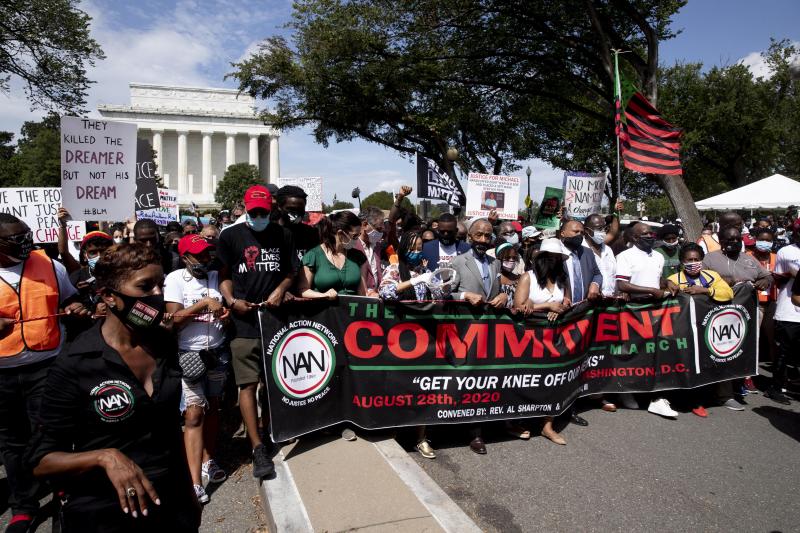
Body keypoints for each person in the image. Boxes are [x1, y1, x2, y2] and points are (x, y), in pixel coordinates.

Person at [29, 243, 200, 532]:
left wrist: (189, 496)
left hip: (171, 506)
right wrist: (104, 457)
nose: (158, 296)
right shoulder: (76, 362)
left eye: (160, 284)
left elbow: (171, 432)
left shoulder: (164, 344)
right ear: (109, 296)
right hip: (105, 514)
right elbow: (40, 461)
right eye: (146, 287)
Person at [0, 214, 88, 532]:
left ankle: (63, 497)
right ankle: (23, 507)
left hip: (47, 365)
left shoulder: (49, 263)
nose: (26, 243)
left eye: (27, 235)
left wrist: (77, 307)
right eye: (16, 238)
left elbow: (71, 297)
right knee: (12, 443)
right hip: (3, 374)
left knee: (51, 435)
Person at [217, 185, 295, 479]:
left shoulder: (283, 234)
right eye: (254, 212)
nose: (259, 216)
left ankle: (273, 427)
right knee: (247, 385)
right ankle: (257, 446)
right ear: (245, 207)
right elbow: (223, 276)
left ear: (271, 209)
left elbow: (291, 272)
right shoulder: (230, 236)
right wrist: (232, 301)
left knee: (274, 380)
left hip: (275, 320)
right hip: (244, 323)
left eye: (263, 211)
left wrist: (279, 291)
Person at [164, 235, 230, 505]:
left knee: (213, 407)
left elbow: (226, 306)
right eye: (199, 255)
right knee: (193, 415)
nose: (205, 259)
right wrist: (203, 304)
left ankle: (208, 460)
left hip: (217, 352)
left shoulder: (216, 277)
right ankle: (194, 482)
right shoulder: (175, 279)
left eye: (207, 254)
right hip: (188, 354)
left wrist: (225, 315)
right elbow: (174, 320)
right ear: (185, 257)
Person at [378, 230, 441, 458]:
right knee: (399, 386)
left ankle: (421, 437)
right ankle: (393, 433)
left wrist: (433, 282)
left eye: (419, 248)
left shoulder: (424, 270)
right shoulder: (394, 269)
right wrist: (412, 281)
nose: (416, 252)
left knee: (424, 388)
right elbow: (385, 292)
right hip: (399, 337)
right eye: (412, 248)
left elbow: (439, 296)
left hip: (424, 337)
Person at [450, 218, 507, 455]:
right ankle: (467, 429)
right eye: (479, 236)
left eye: (487, 236)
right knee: (466, 378)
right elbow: (445, 293)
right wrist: (465, 296)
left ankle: (481, 428)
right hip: (464, 331)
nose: (483, 240)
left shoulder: (496, 263)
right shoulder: (457, 261)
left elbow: (499, 290)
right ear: (470, 237)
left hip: (489, 331)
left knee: (486, 378)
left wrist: (504, 296)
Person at [615, 222, 677, 417]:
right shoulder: (625, 256)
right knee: (634, 351)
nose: (650, 236)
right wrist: (651, 291)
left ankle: (657, 398)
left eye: (651, 233)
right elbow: (623, 285)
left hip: (657, 310)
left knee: (656, 353)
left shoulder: (658, 256)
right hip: (633, 310)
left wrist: (667, 282)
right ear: (634, 238)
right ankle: (627, 392)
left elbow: (657, 280)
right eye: (645, 234)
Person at [513, 238, 571, 445]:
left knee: (553, 379)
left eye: (560, 258)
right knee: (526, 379)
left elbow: (567, 303)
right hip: (528, 339)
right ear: (543, 258)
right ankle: (517, 421)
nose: (558, 262)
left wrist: (561, 307)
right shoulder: (527, 277)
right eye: (554, 258)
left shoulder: (563, 280)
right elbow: (518, 307)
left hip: (555, 339)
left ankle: (548, 426)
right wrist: (547, 306)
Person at [666, 243, 734, 417]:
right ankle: (688, 401)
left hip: (708, 329)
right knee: (687, 364)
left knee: (706, 364)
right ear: (682, 261)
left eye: (697, 259)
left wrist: (705, 290)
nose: (694, 263)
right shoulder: (675, 279)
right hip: (685, 331)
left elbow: (727, 294)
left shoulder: (711, 276)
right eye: (689, 260)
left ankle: (705, 398)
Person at [765, 218, 800, 404]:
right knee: (783, 352)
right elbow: (778, 279)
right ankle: (776, 387)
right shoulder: (786, 251)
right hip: (789, 310)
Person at [299, 211, 369, 298]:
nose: (357, 239)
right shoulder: (313, 256)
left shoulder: (358, 256)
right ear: (340, 233)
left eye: (359, 235)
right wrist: (323, 295)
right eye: (354, 236)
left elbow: (362, 292)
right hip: (324, 310)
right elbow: (303, 290)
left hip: (351, 310)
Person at [747, 227, 778, 385]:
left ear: (772, 242)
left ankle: (778, 376)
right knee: (753, 339)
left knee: (773, 341)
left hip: (773, 304)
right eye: (761, 239)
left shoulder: (776, 257)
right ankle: (748, 376)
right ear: (755, 239)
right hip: (754, 303)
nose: (764, 243)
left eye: (768, 240)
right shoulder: (747, 257)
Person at [274, 185, 319, 262]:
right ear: (279, 207)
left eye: (300, 209)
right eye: (291, 209)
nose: (296, 213)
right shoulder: (269, 233)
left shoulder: (312, 234)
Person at [582, 214, 618, 297]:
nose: (603, 231)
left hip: (610, 300)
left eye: (604, 228)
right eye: (599, 229)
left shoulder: (608, 250)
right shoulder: (580, 250)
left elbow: (614, 274)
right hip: (589, 301)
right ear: (587, 230)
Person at [353, 207, 385, 292]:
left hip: (377, 296)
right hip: (360, 298)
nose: (381, 232)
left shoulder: (378, 246)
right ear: (365, 225)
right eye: (378, 229)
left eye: (382, 229)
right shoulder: (352, 247)